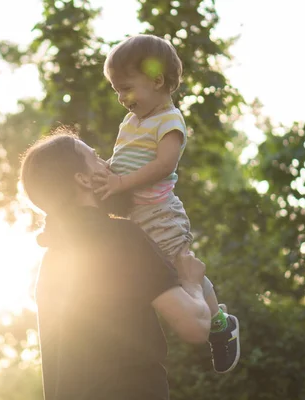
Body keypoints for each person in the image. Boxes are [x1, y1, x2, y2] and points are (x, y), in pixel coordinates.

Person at [20, 130, 212, 400]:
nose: (108, 165)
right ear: (83, 180)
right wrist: (191, 283)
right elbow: (195, 326)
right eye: (96, 158)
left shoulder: (50, 261)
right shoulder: (123, 237)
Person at [93, 34, 239, 373]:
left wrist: (119, 183)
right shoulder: (132, 121)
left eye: (126, 87)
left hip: (160, 212)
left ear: (158, 80)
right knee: (150, 274)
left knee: (181, 267)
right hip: (135, 212)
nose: (121, 98)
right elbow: (122, 160)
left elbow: (164, 165)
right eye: (115, 89)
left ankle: (220, 324)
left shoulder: (170, 120)